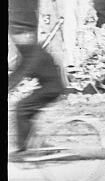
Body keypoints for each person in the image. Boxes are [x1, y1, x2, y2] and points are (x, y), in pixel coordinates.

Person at [7, 22, 66, 156]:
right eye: (15, 36)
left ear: (28, 36)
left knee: (21, 108)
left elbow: (25, 71)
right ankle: (41, 147)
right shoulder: (28, 51)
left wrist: (11, 86)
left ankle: (24, 149)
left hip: (51, 89)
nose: (16, 40)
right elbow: (18, 71)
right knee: (26, 113)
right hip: (46, 87)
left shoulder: (35, 53)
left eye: (19, 35)